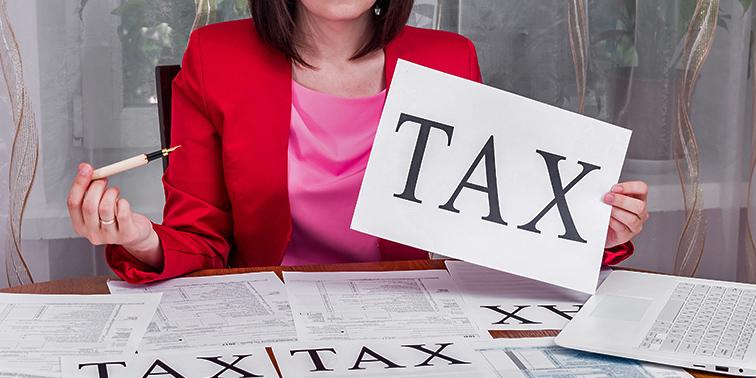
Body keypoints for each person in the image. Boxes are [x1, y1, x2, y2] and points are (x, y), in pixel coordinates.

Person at [66, 0, 649, 283]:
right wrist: (141, 239)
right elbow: (201, 237)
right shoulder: (216, 57)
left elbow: (489, 224)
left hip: (413, 322)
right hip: (269, 321)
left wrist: (593, 232)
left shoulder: (449, 59)